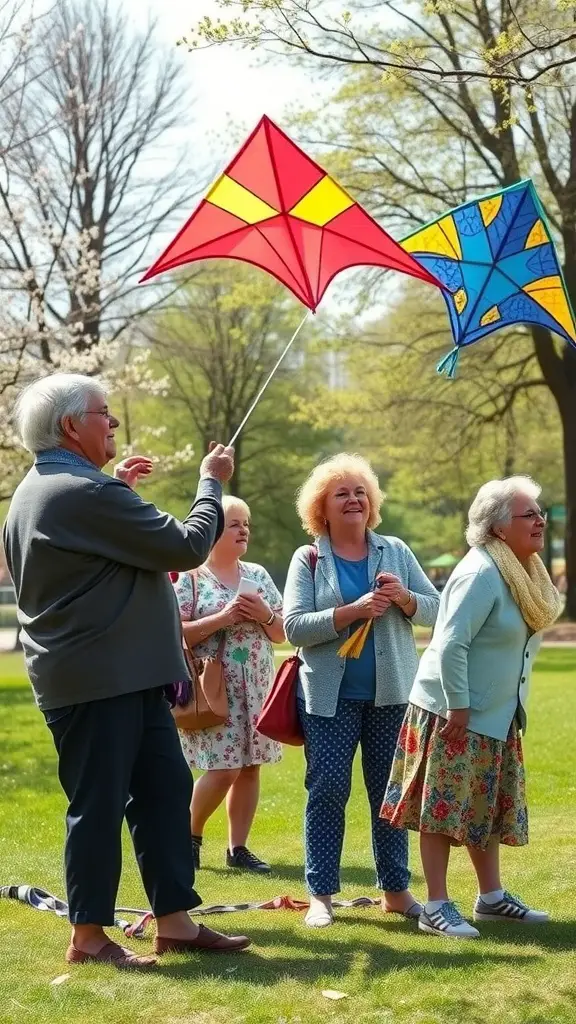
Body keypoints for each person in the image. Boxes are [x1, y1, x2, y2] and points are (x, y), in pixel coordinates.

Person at [2, 372, 252, 970]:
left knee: (164, 795)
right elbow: (189, 546)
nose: (112, 422)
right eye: (102, 413)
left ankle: (176, 923)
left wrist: (115, 490)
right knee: (99, 805)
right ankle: (88, 937)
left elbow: (92, 562)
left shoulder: (54, 489)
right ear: (70, 427)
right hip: (98, 679)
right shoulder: (80, 493)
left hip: (126, 676)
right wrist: (210, 483)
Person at [381, 475, 562, 939]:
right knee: (441, 809)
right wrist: (458, 708)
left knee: (484, 805)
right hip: (453, 711)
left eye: (540, 512)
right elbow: (450, 644)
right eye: (530, 514)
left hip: (496, 713)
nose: (540, 520)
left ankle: (491, 898)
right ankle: (435, 906)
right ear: (499, 527)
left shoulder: (524, 571)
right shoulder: (481, 571)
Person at [283, 453, 440, 927]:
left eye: (360, 492)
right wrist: (352, 610)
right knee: (328, 789)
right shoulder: (308, 557)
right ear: (322, 508)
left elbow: (435, 609)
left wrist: (406, 599)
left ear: (371, 502)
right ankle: (321, 897)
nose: (353, 499)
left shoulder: (395, 550)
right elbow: (293, 627)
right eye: (341, 493)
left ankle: (396, 891)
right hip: (328, 698)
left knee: (389, 796)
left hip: (391, 696)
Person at [172, 495, 285, 874]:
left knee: (250, 766)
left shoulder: (258, 576)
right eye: (234, 523)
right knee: (223, 769)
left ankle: (238, 848)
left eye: (245, 523)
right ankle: (188, 836)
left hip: (257, 688)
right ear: (211, 531)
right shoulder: (189, 578)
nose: (243, 530)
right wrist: (222, 618)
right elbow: (173, 634)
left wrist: (264, 613)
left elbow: (282, 632)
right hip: (214, 690)